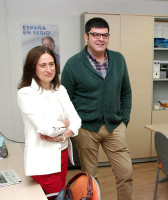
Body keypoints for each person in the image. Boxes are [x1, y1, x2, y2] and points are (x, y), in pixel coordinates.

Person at [61, 17, 132, 200]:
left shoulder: (118, 59)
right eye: (96, 34)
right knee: (90, 179)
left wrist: (124, 120)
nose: (101, 39)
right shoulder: (73, 64)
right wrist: (74, 124)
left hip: (114, 126)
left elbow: (126, 92)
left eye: (105, 35)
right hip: (86, 129)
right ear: (87, 36)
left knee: (125, 174)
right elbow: (64, 100)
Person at [17, 46, 81, 200]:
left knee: (60, 195)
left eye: (51, 64)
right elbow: (46, 129)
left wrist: (61, 135)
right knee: (54, 196)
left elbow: (77, 120)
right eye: (43, 65)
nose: (49, 69)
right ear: (33, 68)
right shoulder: (26, 93)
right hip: (43, 159)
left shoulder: (60, 89)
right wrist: (66, 123)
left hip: (63, 153)